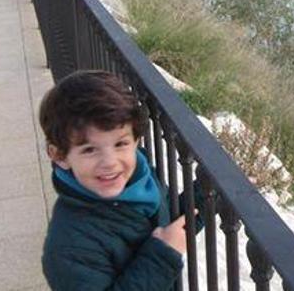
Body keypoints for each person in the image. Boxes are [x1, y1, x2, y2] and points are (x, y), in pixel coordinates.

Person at [39, 70, 201, 290]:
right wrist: (162, 256)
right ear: (59, 155)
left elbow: (170, 223)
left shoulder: (140, 181)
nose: (110, 162)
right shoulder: (68, 248)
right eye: (89, 150)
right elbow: (163, 244)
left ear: (136, 140)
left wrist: (209, 193)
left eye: (120, 144)